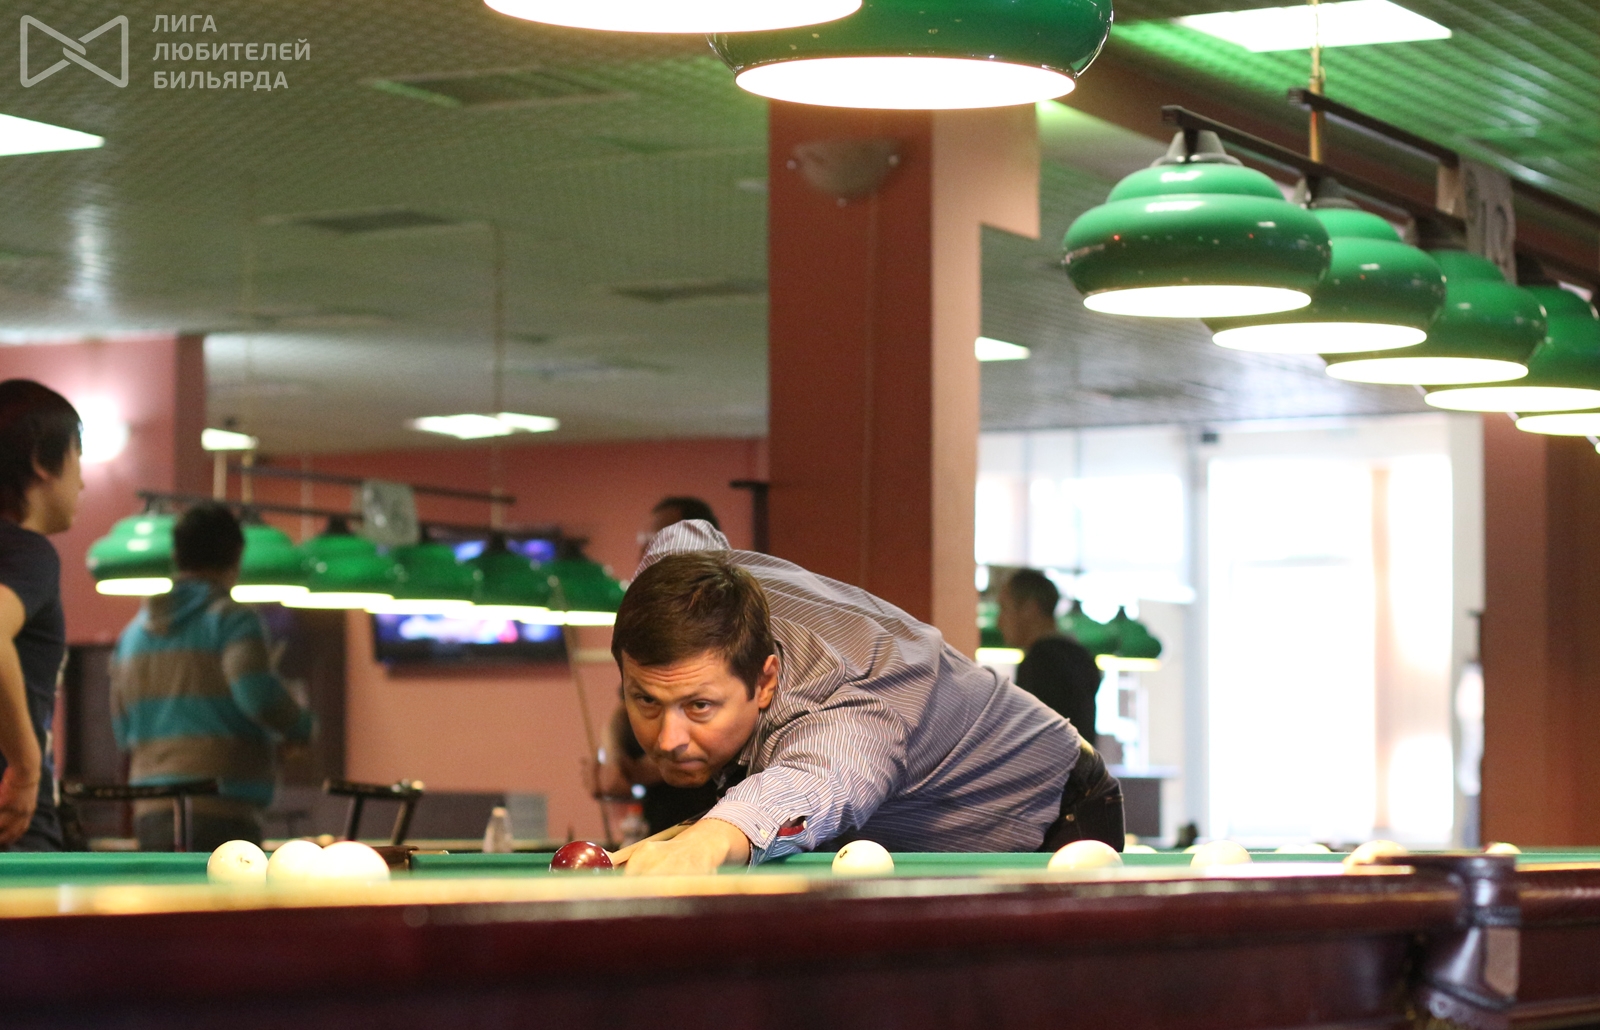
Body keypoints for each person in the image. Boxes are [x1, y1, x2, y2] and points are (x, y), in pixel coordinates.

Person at [613, 521, 1124, 876]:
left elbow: (815, 779)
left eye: (699, 706)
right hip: (906, 827)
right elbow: (687, 536)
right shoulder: (678, 577)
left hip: (1053, 816)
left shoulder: (850, 704)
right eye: (647, 701)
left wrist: (709, 840)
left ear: (765, 681)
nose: (669, 739)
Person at [110, 503, 312, 851]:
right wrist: (301, 727)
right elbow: (257, 696)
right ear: (237, 557)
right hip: (221, 806)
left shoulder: (133, 634)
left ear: (176, 556)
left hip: (151, 808)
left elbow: (121, 728)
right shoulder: (232, 620)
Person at [590, 496, 724, 835]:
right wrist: (612, 760)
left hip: (723, 821)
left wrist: (643, 771)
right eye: (643, 544)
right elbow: (624, 705)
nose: (645, 555)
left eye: (656, 541)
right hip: (661, 820)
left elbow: (731, 737)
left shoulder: (724, 618)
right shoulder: (652, 617)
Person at [0, 381, 84, 852]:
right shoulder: (28, 553)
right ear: (41, 461)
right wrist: (26, 769)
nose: (83, 483)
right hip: (13, 830)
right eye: (78, 458)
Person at [997, 569, 1104, 748]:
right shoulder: (1080, 656)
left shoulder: (1039, 661)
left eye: (1004, 609)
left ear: (1030, 609)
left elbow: (1032, 742)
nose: (999, 622)